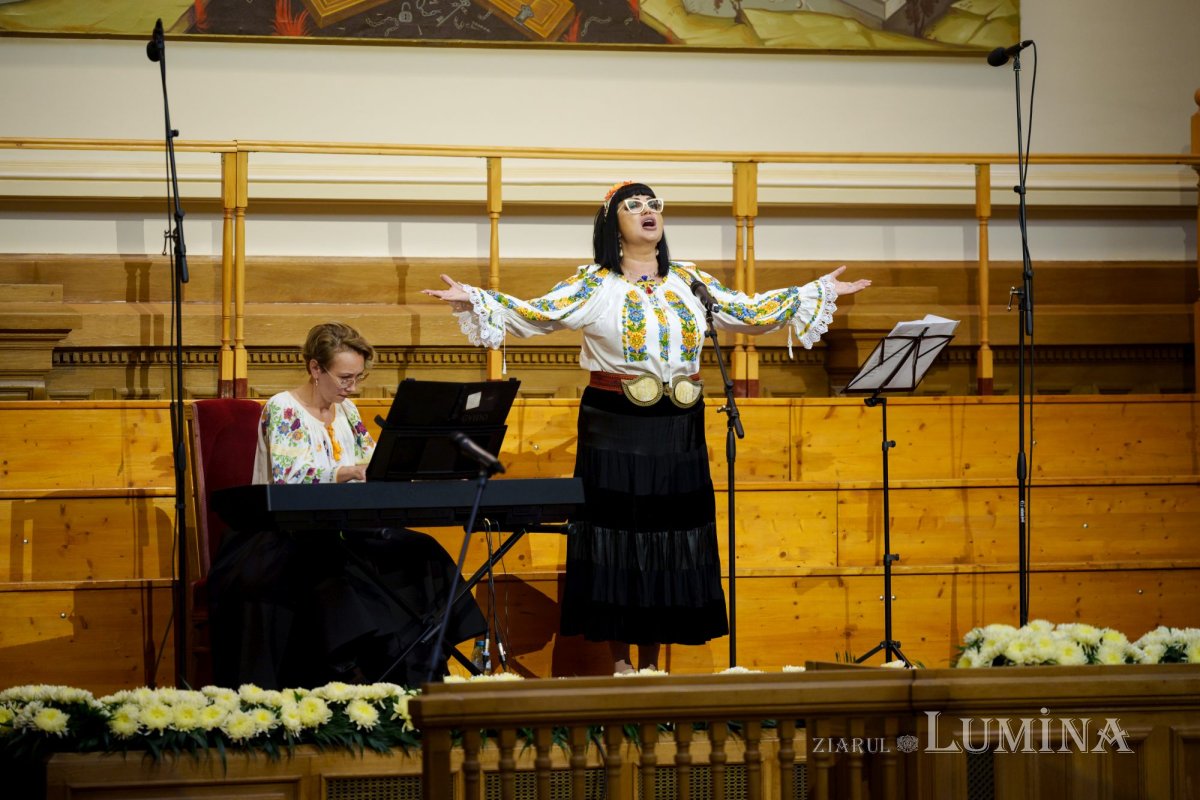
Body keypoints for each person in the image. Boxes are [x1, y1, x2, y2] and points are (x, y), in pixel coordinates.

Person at [423, 181, 870, 674]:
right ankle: (620, 663)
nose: (647, 211)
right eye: (632, 206)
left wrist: (816, 291)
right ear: (612, 222)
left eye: (653, 204)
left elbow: (747, 311)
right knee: (618, 534)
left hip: (679, 424)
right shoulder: (595, 283)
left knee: (671, 536)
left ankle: (654, 661)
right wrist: (476, 298)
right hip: (616, 422)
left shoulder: (690, 281)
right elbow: (538, 313)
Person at [207, 321, 486, 689]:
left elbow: (374, 464)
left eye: (358, 377)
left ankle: (414, 670)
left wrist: (421, 472)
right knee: (331, 567)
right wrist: (345, 472)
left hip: (341, 529)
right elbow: (291, 477)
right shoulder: (283, 408)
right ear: (315, 369)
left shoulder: (348, 412)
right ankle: (347, 676)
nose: (352, 387)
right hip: (282, 536)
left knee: (421, 551)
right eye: (344, 378)